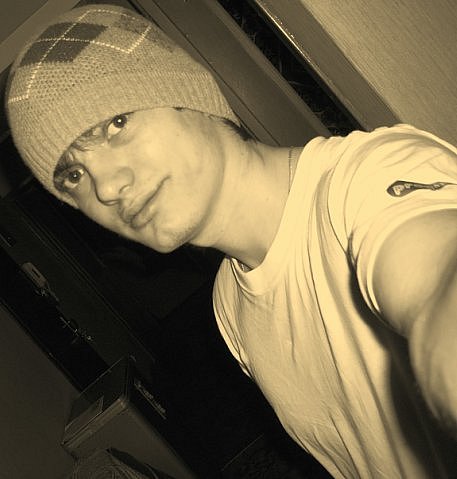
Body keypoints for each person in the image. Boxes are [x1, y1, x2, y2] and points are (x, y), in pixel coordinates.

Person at [5, 4, 457, 478]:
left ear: (185, 92)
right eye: (73, 175)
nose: (106, 188)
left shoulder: (366, 180)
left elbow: (432, 274)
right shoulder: (230, 306)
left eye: (116, 123)